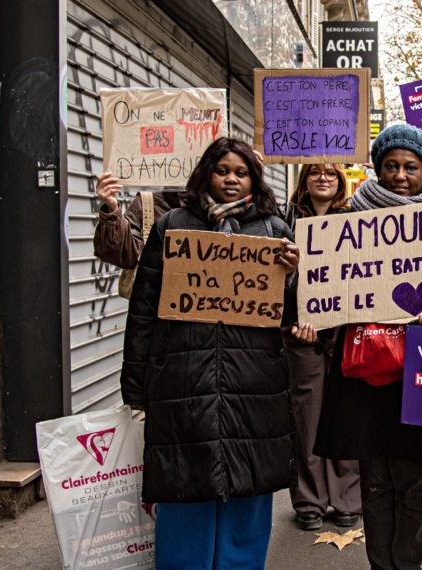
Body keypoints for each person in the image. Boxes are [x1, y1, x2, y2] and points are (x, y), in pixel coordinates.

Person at [120, 137, 302, 568]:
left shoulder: (275, 231)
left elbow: (291, 316)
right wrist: (136, 386)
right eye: (223, 171)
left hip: (253, 386)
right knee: (185, 490)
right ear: (207, 173)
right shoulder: (172, 226)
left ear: (253, 180)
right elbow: (143, 309)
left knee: (248, 493)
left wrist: (292, 277)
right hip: (184, 383)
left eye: (241, 173)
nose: (232, 180)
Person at [314, 123, 422, 570]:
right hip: (364, 370)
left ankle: (408, 565)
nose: (401, 175)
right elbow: (328, 284)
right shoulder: (350, 218)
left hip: (418, 371)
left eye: (411, 167)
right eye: (391, 166)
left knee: (411, 480)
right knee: (374, 483)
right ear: (378, 170)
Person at [277, 164, 361, 532]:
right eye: (315, 172)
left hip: (346, 333)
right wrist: (292, 320)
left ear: (341, 180)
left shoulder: (358, 218)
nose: (323, 178)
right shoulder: (284, 220)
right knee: (306, 419)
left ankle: (346, 498)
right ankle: (309, 500)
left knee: (345, 415)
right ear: (304, 178)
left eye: (331, 172)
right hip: (301, 334)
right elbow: (272, 279)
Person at [93, 172, 184, 269]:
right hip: (152, 283)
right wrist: (112, 208)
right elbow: (121, 255)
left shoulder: (201, 207)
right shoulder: (147, 204)